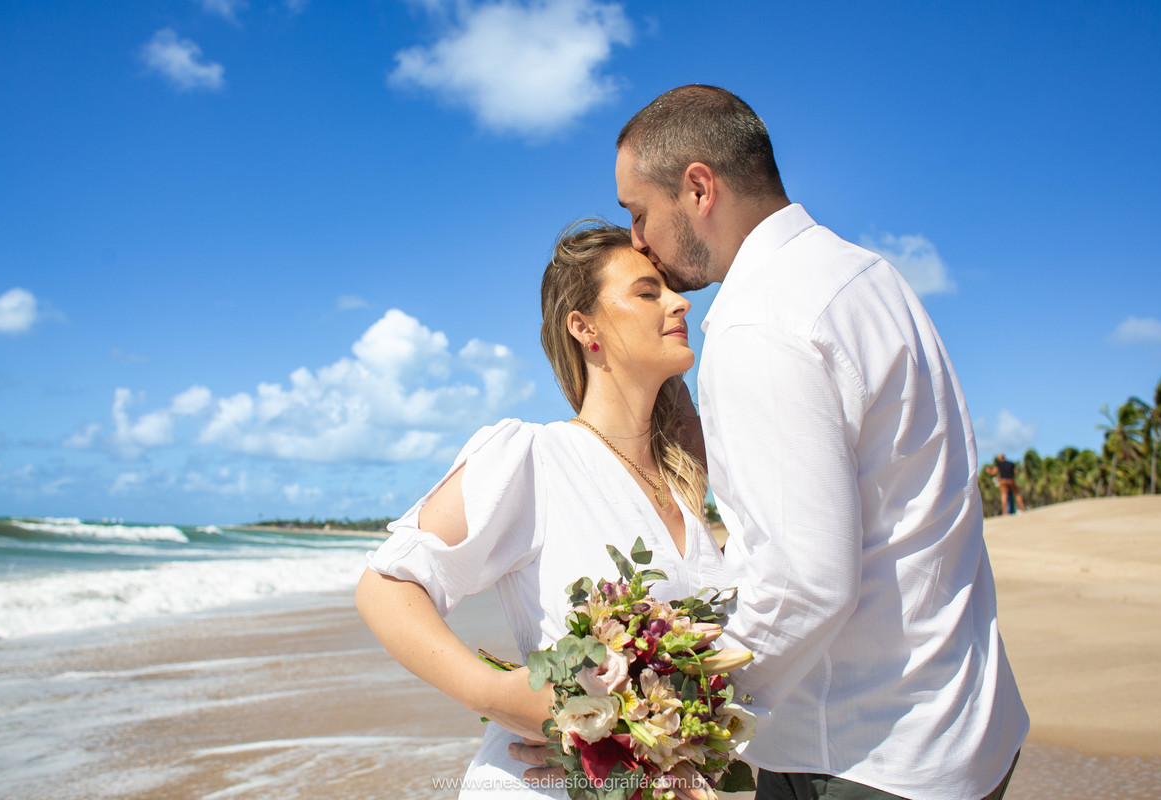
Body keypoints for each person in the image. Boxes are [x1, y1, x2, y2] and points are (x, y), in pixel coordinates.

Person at [612, 85, 1029, 800]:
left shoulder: (761, 321)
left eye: (640, 213)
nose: (637, 241)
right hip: (965, 721)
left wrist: (675, 720)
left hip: (867, 754)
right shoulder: (870, 275)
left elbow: (804, 582)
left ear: (698, 187)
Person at [355, 222, 725, 798]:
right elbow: (388, 584)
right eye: (648, 292)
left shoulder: (685, 485)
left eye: (672, 290)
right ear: (584, 326)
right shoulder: (534, 457)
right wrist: (496, 696)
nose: (680, 303)